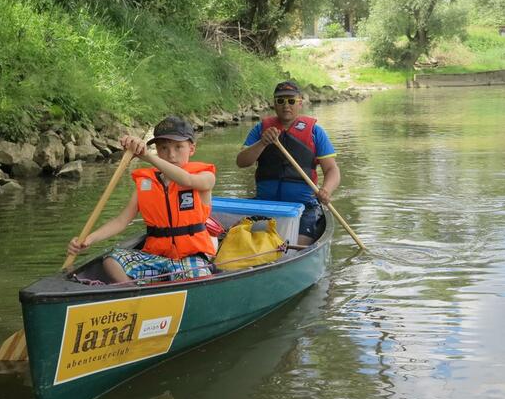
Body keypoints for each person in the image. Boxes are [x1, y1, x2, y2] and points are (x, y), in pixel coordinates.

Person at [67, 116, 216, 283]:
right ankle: (132, 293)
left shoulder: (205, 176)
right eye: (163, 148)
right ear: (158, 150)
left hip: (191, 257)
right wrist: (88, 240)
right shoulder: (147, 184)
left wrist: (148, 157)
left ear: (191, 149)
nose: (171, 154)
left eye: (178, 147)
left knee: (196, 278)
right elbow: (121, 221)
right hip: (155, 257)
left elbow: (186, 181)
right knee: (111, 260)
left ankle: (160, 289)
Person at [236, 80, 340, 246]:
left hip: (303, 207)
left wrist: (326, 190)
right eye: (281, 101)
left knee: (297, 246)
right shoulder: (260, 129)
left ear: (300, 103)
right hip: (265, 205)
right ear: (274, 104)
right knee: (240, 240)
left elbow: (331, 169)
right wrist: (262, 143)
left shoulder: (315, 132)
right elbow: (241, 162)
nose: (286, 105)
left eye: (291, 101)